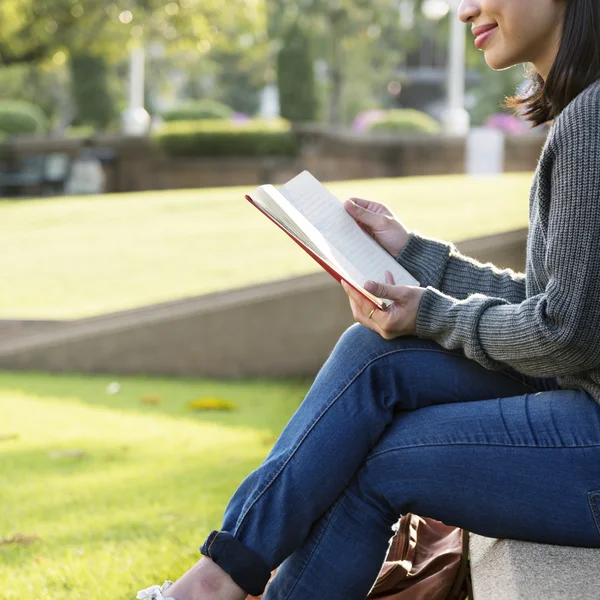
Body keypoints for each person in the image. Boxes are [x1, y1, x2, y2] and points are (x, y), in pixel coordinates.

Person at [138, 0, 600, 598]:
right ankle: (220, 576)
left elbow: (562, 335)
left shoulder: (590, 120)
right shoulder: (585, 111)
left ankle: (215, 583)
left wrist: (428, 313)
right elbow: (564, 306)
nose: (465, 10)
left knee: (381, 461)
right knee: (373, 353)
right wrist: (413, 255)